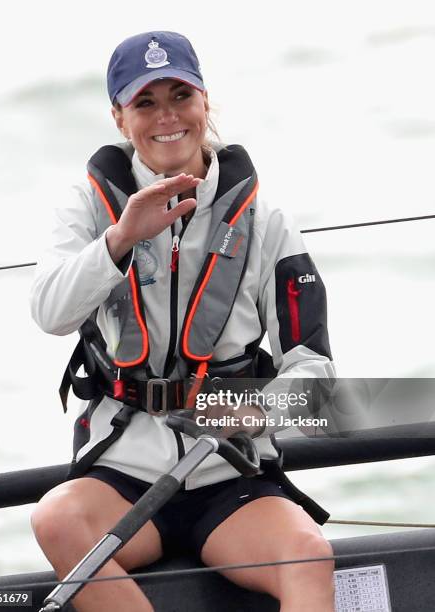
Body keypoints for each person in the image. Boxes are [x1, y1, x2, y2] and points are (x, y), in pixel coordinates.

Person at [30, 31, 336, 612]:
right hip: (123, 474)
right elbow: (49, 312)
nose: (166, 117)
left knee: (307, 555)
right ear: (120, 118)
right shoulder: (87, 207)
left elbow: (315, 372)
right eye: (145, 103)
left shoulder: (266, 220)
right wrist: (120, 240)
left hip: (231, 474)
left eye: (180, 96)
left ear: (204, 105)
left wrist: (263, 408)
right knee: (56, 519)